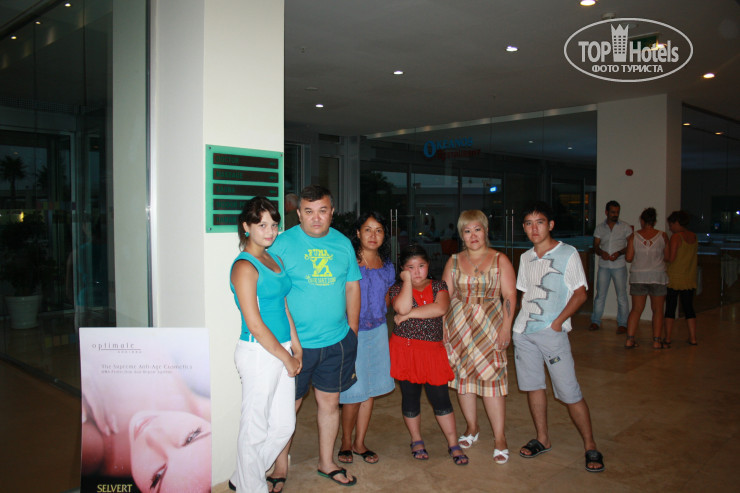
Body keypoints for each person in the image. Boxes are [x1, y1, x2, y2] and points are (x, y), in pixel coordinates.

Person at [269, 185, 361, 488]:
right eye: (309, 211)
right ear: (298, 214)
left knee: (330, 404)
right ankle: (279, 466)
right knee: (287, 409)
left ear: (332, 212)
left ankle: (326, 462)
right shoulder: (281, 244)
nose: (316, 218)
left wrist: (352, 332)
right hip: (295, 347)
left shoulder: (343, 244)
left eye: (322, 211)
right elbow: (272, 294)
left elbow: (352, 287)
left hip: (336, 342)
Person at [513, 201, 604, 473]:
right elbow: (524, 294)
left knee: (569, 392)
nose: (534, 229)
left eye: (539, 222)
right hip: (524, 333)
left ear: (551, 225)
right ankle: (543, 438)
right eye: (528, 223)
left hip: (552, 334)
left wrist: (557, 323)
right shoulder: (526, 258)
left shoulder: (568, 253)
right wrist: (517, 326)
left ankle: (590, 444)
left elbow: (580, 294)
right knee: (533, 387)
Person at [227, 197, 302, 492]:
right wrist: (286, 357)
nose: (270, 231)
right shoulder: (244, 266)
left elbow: (283, 305)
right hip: (258, 353)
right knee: (254, 429)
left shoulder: (275, 259)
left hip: (281, 347)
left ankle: (243, 477)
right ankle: (251, 486)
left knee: (284, 426)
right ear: (246, 227)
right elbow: (255, 324)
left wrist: (295, 345)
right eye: (262, 225)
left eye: (273, 225)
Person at [441, 210, 516, 464]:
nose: (473, 235)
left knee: (492, 381)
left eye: (477, 229)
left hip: (490, 326)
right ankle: (472, 428)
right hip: (459, 327)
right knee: (463, 379)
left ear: (485, 231)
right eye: (467, 231)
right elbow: (444, 296)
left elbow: (510, 296)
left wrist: (506, 327)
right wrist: (443, 327)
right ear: (461, 234)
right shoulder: (453, 261)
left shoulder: (499, 259)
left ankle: (500, 438)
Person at [388, 244, 469, 466]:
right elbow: (401, 307)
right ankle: (416, 440)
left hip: (432, 351)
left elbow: (439, 309)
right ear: (402, 270)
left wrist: (408, 316)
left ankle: (453, 442)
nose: (416, 271)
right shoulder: (396, 289)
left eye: (421, 266)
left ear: (428, 265)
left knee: (441, 398)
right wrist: (406, 282)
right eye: (410, 267)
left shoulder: (439, 286)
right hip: (405, 350)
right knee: (410, 397)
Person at [338, 212, 396, 465]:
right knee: (354, 391)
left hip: (378, 332)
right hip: (352, 332)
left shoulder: (387, 265)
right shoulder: (347, 261)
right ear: (358, 233)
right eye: (368, 229)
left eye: (379, 230)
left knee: (369, 389)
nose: (373, 235)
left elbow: (386, 298)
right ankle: (345, 442)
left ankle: (360, 442)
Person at [624, 207, 669, 349]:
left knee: (636, 309)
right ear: (654, 221)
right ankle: (656, 341)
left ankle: (630, 339)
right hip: (658, 276)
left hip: (638, 276)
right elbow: (668, 257)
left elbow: (629, 258)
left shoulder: (634, 236)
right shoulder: (662, 236)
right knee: (658, 310)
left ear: (642, 221)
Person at [589, 200, 632, 333]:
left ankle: (623, 323)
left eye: (617, 212)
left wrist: (619, 253)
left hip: (619, 265)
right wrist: (602, 253)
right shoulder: (600, 228)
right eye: (613, 212)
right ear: (606, 212)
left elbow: (631, 246)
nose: (615, 215)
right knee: (600, 295)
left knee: (622, 295)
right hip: (604, 266)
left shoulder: (625, 227)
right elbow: (596, 246)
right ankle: (595, 321)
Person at [663, 210, 699, 347]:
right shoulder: (694, 236)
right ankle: (693, 338)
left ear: (677, 223)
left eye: (671, 224)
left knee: (670, 308)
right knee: (689, 308)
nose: (670, 228)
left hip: (675, 278)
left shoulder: (676, 237)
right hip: (689, 277)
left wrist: (663, 256)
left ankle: (667, 338)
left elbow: (671, 258)